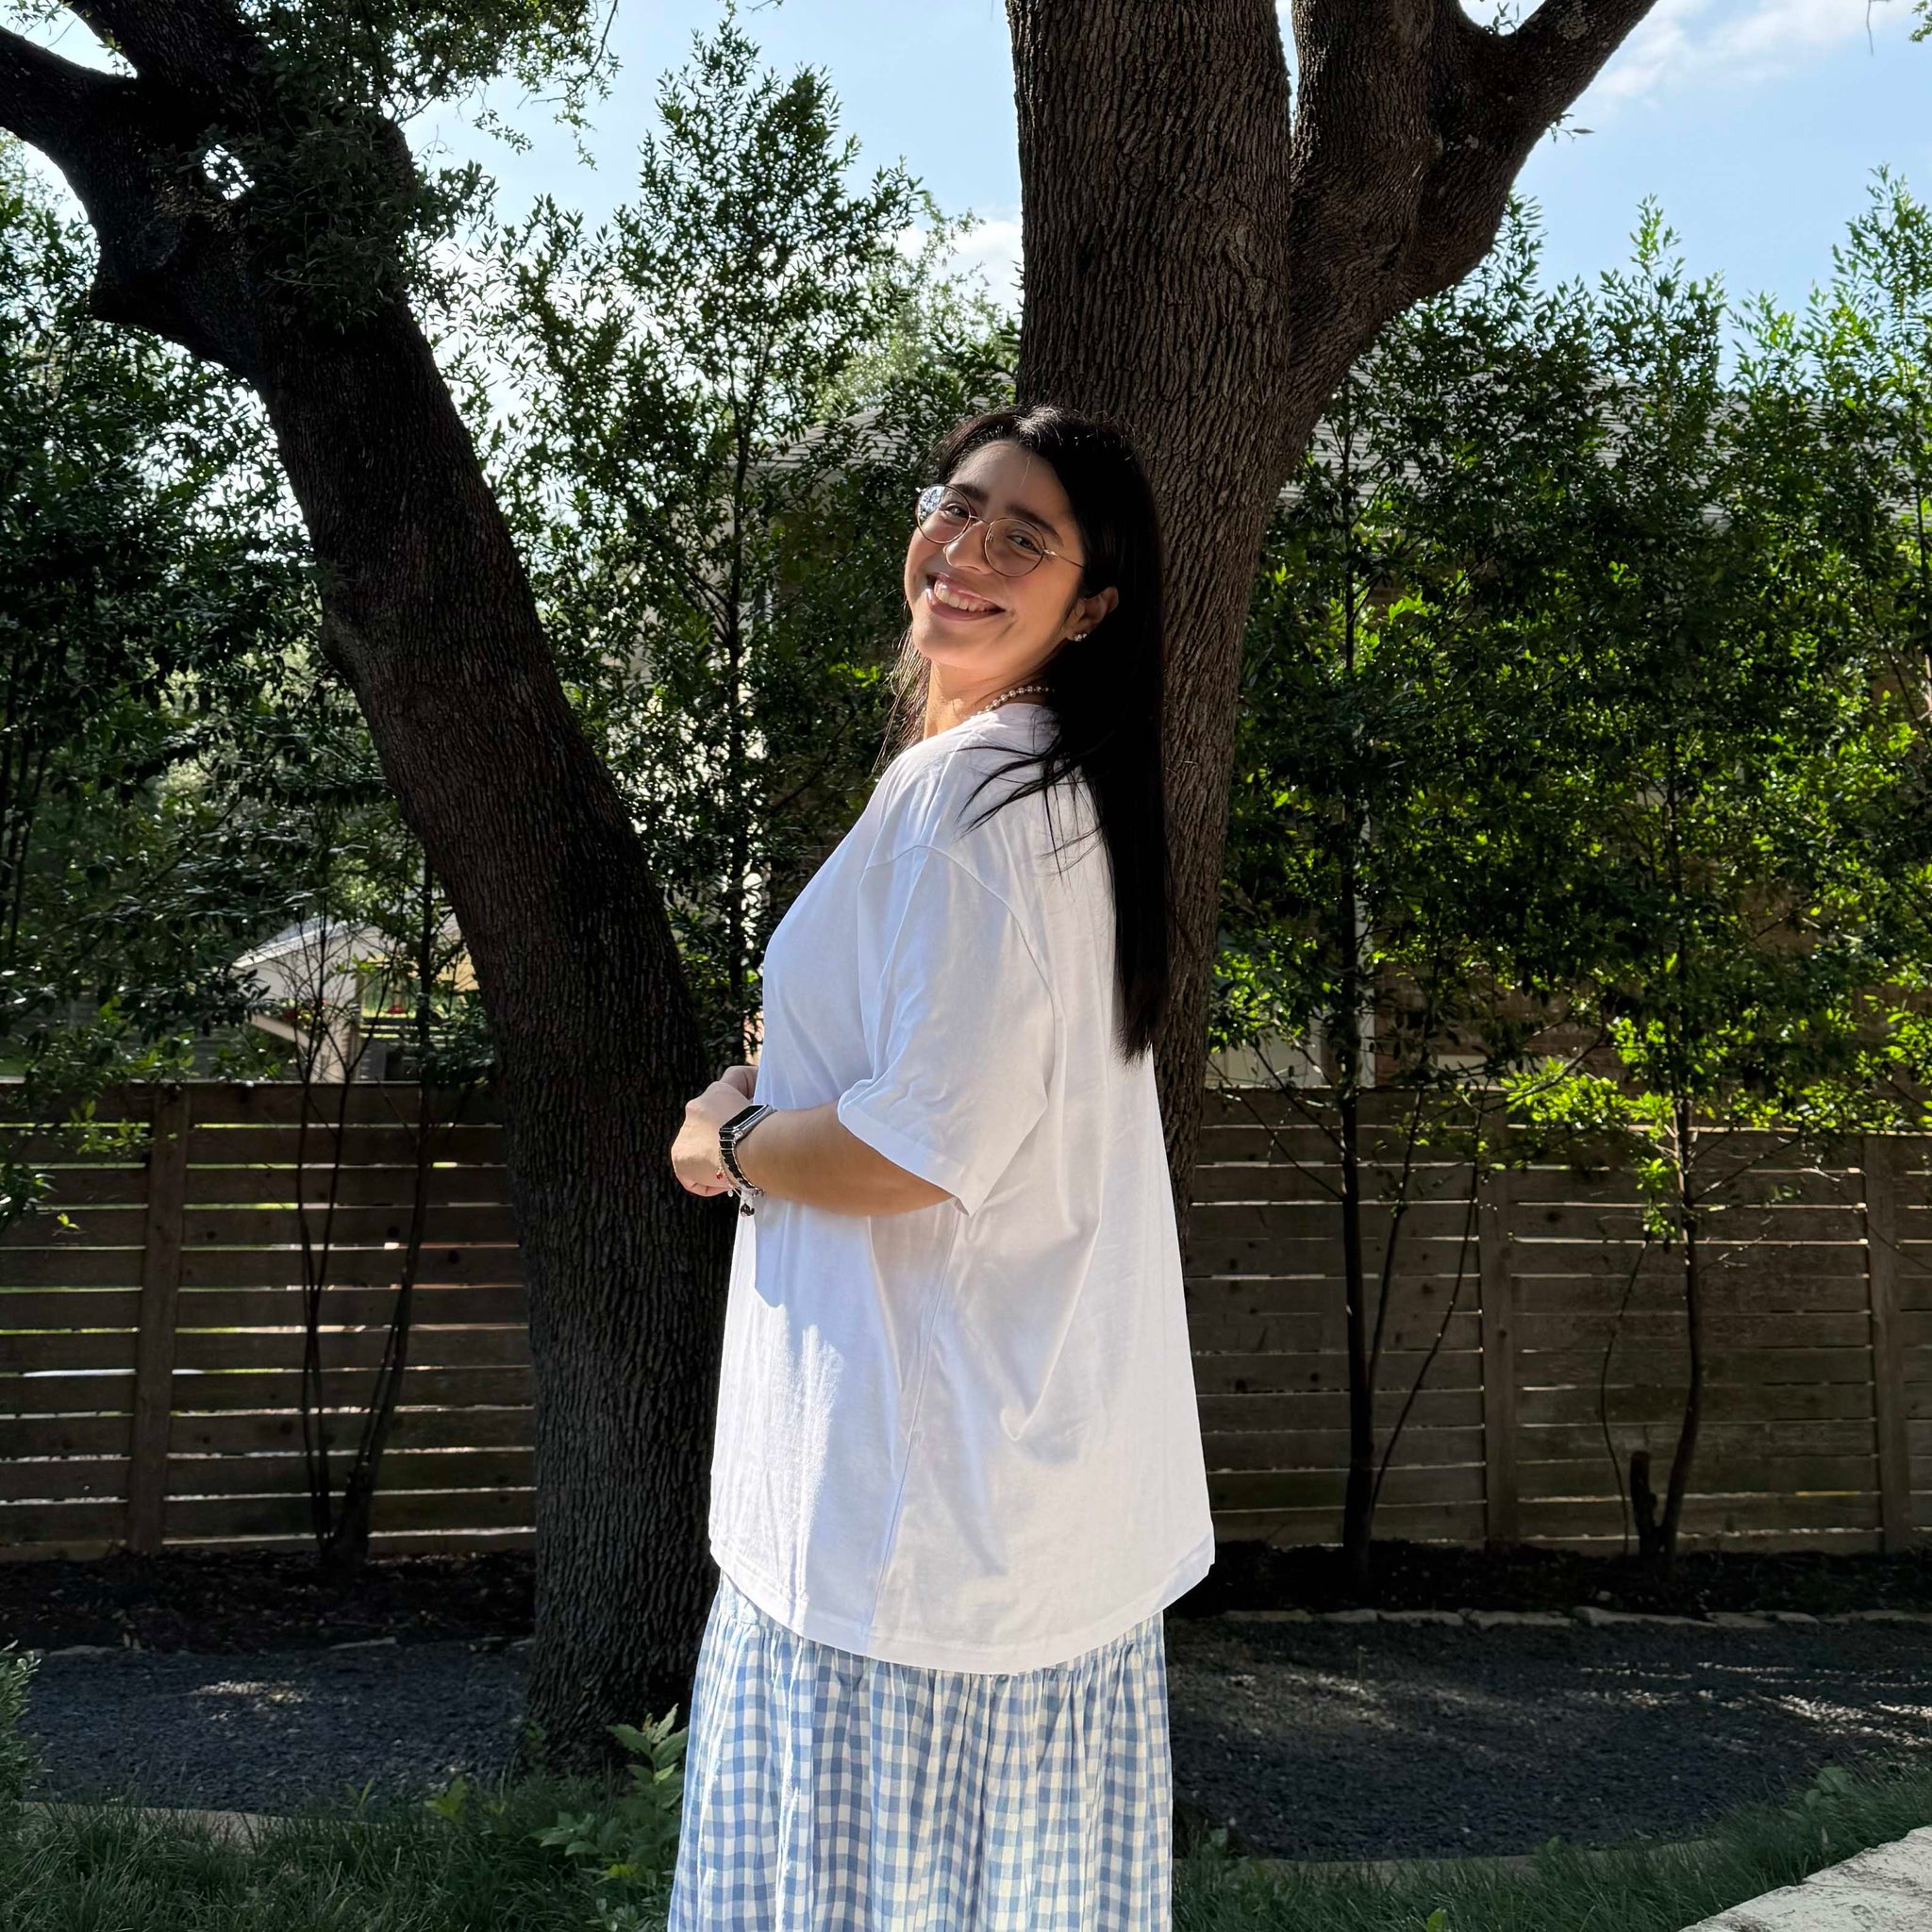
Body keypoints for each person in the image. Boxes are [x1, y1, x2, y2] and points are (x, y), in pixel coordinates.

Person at [665, 402, 1215, 1929]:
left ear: (1091, 608)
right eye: (955, 507)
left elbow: (913, 1150)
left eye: (1022, 538)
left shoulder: (972, 797)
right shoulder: (1054, 796)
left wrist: (727, 1142)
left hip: (904, 1539)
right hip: (1011, 1521)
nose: (963, 551)